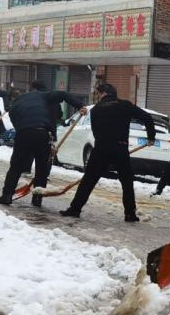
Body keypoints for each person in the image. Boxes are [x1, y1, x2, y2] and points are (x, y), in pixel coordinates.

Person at [59, 83, 155, 222]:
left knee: (88, 180)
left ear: (103, 93)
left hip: (101, 149)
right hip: (120, 148)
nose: (98, 97)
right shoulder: (125, 105)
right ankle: (130, 214)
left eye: (98, 94)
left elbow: (95, 131)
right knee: (127, 182)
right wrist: (151, 137)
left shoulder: (97, 109)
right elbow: (147, 117)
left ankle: (75, 209)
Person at [0, 80, 86, 207]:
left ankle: (7, 195)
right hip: (42, 133)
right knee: (42, 167)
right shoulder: (44, 95)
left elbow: (14, 120)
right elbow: (64, 95)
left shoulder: (17, 101)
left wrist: (23, 131)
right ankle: (37, 198)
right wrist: (80, 105)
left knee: (15, 166)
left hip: (24, 133)